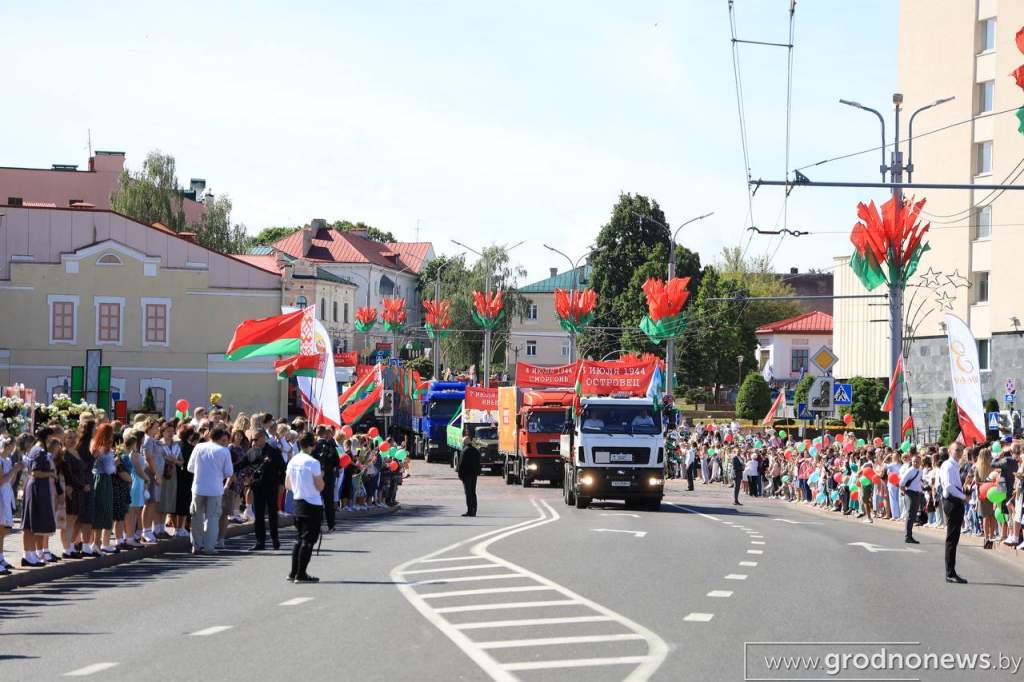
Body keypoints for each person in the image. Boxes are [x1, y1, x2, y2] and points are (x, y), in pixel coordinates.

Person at [187, 427, 234, 555]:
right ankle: (209, 547)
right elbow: (229, 472)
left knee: (196, 517)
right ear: (220, 438)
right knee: (212, 518)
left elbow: (190, 467)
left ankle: (196, 546)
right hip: (215, 489)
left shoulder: (199, 447)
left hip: (198, 487)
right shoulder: (224, 451)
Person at [286, 432, 325, 583]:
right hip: (312, 503)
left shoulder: (293, 460)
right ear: (311, 446)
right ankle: (301, 574)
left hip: (297, 502)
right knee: (308, 541)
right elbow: (320, 486)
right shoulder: (313, 462)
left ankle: (293, 572)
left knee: (299, 539)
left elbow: (288, 485)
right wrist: (321, 477)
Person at [248, 430, 285, 551]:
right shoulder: (251, 451)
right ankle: (260, 542)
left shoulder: (273, 451)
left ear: (263, 438)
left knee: (272, 514)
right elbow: (242, 463)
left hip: (271, 487)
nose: (253, 442)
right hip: (257, 487)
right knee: (258, 515)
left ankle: (275, 539)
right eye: (252, 439)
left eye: (256, 439)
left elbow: (282, 468)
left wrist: (281, 484)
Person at [938, 445, 967, 584]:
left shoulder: (954, 465)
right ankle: (950, 573)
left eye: (961, 450)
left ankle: (951, 571)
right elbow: (948, 486)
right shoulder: (949, 465)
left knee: (954, 539)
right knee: (952, 539)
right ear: (950, 451)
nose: (959, 452)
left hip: (955, 501)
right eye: (957, 450)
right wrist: (962, 496)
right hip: (952, 501)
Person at [900, 454, 923, 544]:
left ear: (920, 462)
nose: (915, 463)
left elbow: (918, 481)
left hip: (917, 493)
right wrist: (903, 491)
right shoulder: (910, 471)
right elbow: (902, 482)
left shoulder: (920, 471)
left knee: (913, 515)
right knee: (910, 515)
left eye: (917, 461)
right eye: (914, 461)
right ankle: (908, 536)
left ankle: (909, 536)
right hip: (910, 493)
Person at [457, 434, 481, 517]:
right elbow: (479, 463)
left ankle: (470, 510)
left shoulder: (465, 451)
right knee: (473, 492)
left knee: (468, 492)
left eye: (463, 442)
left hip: (466, 474)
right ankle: (474, 510)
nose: (463, 443)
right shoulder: (476, 450)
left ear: (466, 442)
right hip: (474, 474)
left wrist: (460, 474)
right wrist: (478, 472)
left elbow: (460, 463)